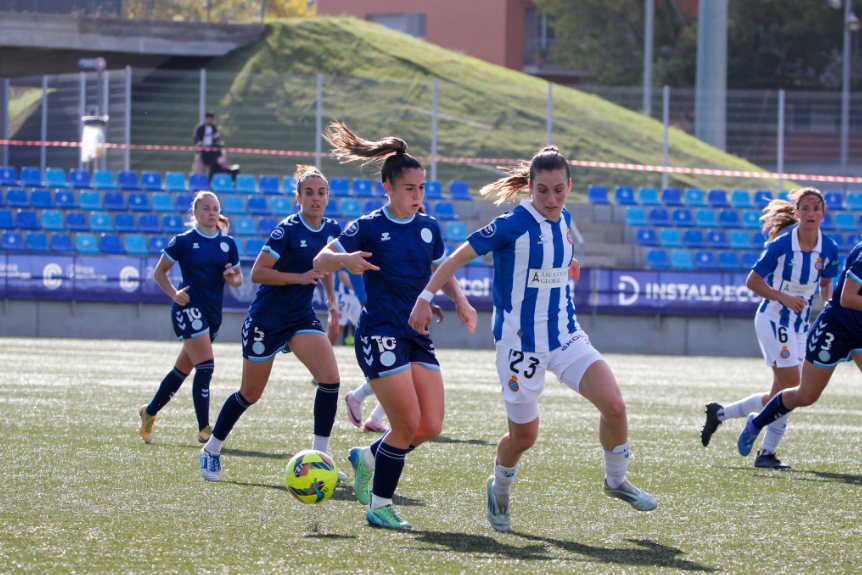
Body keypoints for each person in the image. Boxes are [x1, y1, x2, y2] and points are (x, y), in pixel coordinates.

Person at [408, 146, 657, 533]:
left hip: (565, 336)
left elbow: (557, 253)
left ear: (569, 186)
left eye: (559, 190)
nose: (552, 199)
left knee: (615, 405)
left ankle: (616, 480)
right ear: (529, 187)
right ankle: (499, 489)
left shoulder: (564, 219)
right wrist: (426, 297)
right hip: (520, 346)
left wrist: (567, 262)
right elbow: (457, 257)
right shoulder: (511, 225)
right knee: (524, 437)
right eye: (543, 190)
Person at [314, 122, 476, 529]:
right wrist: (344, 260)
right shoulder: (368, 226)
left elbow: (439, 269)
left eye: (422, 188)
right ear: (388, 187)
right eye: (410, 188)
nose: (417, 196)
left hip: (416, 334)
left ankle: (366, 457)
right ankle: (379, 506)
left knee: (429, 425)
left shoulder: (428, 227)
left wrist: (458, 299)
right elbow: (319, 261)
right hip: (379, 332)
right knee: (404, 423)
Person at [198, 165, 345, 483]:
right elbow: (258, 273)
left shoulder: (331, 229)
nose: (315, 198)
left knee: (330, 380)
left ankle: (320, 459)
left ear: (328, 197)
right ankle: (211, 449)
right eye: (309, 192)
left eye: (321, 192)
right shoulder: (287, 230)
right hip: (267, 319)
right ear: (298, 198)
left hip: (301, 317)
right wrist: (299, 277)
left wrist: (331, 299)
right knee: (250, 393)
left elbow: (327, 265)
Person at [701, 188, 838, 469]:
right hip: (774, 321)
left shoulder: (829, 248)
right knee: (793, 389)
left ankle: (721, 414)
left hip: (801, 327)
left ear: (824, 213)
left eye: (817, 208)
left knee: (779, 395)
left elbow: (826, 283)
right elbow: (753, 281)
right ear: (797, 212)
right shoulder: (782, 245)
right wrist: (784, 297)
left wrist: (829, 303)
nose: (811, 214)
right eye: (806, 208)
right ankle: (766, 453)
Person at [738, 237, 862, 456]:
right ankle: (756, 423)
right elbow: (847, 297)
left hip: (860, 331)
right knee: (805, 395)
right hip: (835, 330)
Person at [139, 191, 242, 444]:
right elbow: (159, 272)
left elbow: (238, 279)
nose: (211, 212)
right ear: (195, 213)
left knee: (181, 371)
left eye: (215, 208)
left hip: (212, 313)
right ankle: (204, 427)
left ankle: (149, 412)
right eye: (206, 208)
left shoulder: (228, 243)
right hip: (188, 308)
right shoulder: (184, 240)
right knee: (206, 365)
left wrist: (232, 278)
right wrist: (174, 294)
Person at [345, 303, 445, 433]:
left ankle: (371, 413)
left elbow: (419, 283)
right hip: (390, 320)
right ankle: (361, 401)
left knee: (409, 375)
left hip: (410, 321)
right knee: (398, 374)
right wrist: (364, 299)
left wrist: (430, 302)